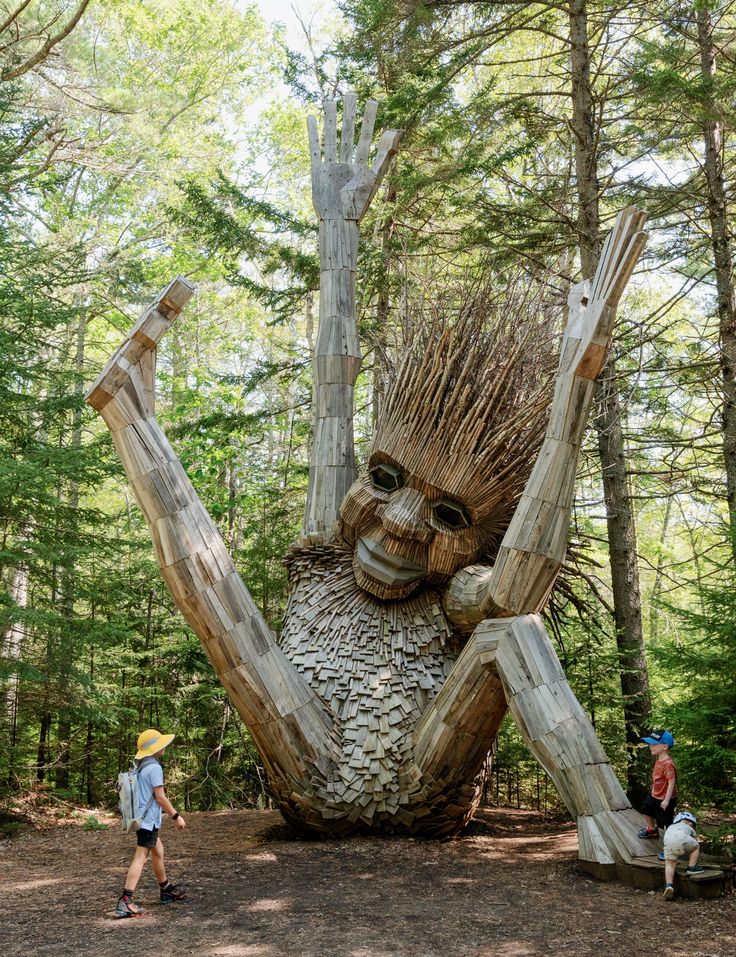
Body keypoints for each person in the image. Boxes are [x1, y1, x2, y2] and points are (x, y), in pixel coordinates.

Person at [115, 728, 187, 918]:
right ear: (154, 748)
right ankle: (125, 900)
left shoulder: (141, 765)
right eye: (160, 743)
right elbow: (160, 798)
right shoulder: (154, 768)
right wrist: (176, 816)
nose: (165, 746)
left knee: (158, 850)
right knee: (140, 858)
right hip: (147, 821)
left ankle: (165, 889)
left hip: (144, 819)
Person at [637, 729, 677, 838]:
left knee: (665, 821)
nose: (651, 746)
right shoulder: (659, 759)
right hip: (655, 794)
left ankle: (670, 845)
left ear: (664, 747)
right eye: (650, 744)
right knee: (646, 808)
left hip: (665, 798)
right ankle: (652, 829)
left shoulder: (668, 764)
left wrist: (667, 800)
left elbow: (671, 782)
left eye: (654, 744)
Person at [662, 810, 704, 900]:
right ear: (689, 823)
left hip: (667, 841)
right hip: (681, 838)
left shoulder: (671, 826)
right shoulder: (689, 827)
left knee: (669, 864)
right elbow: (692, 841)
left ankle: (669, 885)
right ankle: (691, 867)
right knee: (696, 846)